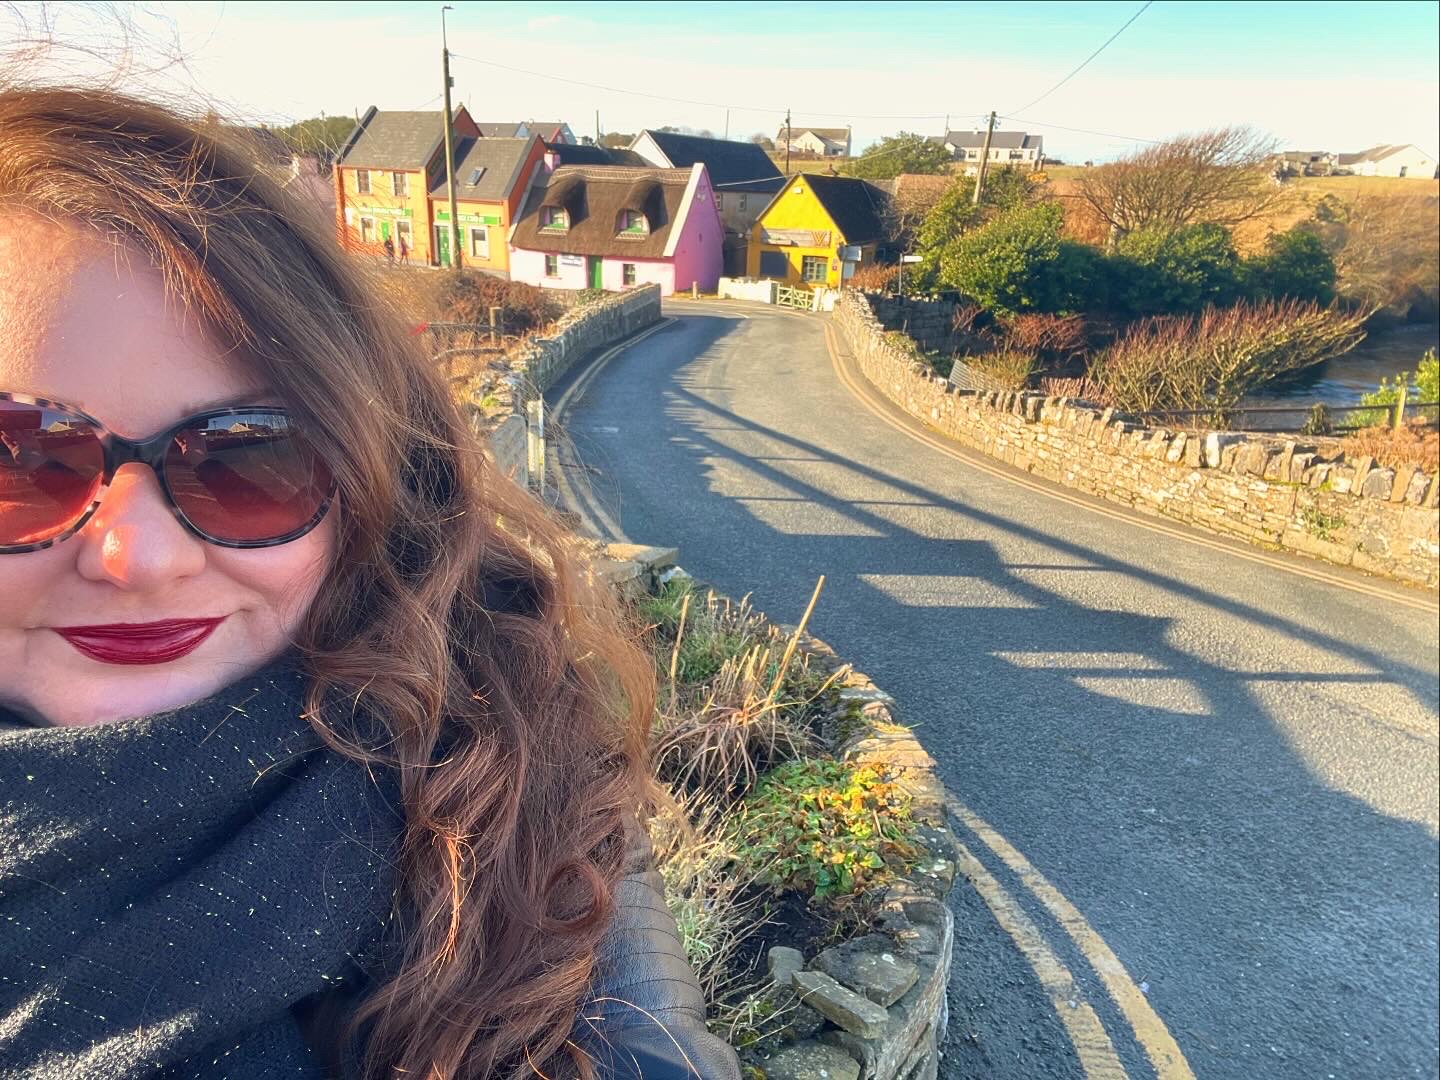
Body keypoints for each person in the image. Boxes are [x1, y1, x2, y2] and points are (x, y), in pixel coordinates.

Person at [0, 85, 740, 1080]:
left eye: (246, 458)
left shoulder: (508, 801)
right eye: (23, 459)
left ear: (371, 478)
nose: (143, 558)